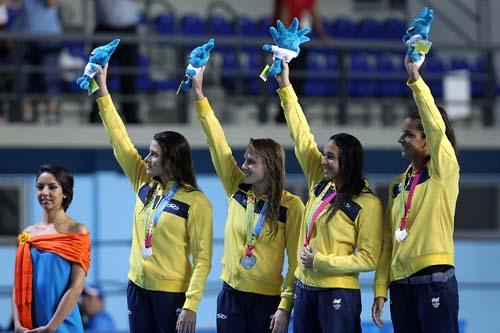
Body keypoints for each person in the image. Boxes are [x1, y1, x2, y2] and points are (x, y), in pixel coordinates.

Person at [93, 64, 213, 333]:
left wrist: (191, 304)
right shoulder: (144, 183)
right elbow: (120, 140)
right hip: (136, 287)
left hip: (171, 295)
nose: (146, 159)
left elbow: (203, 258)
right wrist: (103, 91)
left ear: (171, 161)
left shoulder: (196, 202)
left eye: (154, 155)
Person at [191, 67, 304, 333]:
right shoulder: (237, 188)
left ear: (270, 167)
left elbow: (296, 263)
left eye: (251, 161)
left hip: (267, 301)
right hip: (231, 295)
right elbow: (217, 144)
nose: (243, 165)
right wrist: (199, 95)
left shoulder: (291, 206)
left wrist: (285, 306)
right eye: (244, 159)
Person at [274, 60, 384, 333]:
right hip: (305, 289)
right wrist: (285, 86)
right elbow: (301, 136)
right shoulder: (321, 184)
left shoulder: (367, 203)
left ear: (347, 161)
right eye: (324, 154)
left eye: (331, 157)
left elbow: (369, 258)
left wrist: (321, 262)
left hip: (338, 293)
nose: (323, 160)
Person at [371, 55, 459, 333]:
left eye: (409, 134)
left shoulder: (443, 172)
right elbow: (387, 241)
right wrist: (380, 287)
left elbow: (436, 128)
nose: (401, 139)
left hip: (434, 279)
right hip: (400, 286)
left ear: (427, 141)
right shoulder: (398, 184)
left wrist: (415, 78)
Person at [12, 164, 91, 332]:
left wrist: (50, 327)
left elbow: (76, 286)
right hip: (31, 326)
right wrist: (18, 325)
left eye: (52, 187)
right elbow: (18, 285)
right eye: (40, 187)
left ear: (65, 193)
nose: (44, 192)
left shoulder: (77, 230)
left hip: (64, 326)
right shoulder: (28, 234)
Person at [272, 0, 333, 123]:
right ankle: (283, 112)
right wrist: (285, 41)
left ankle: (294, 109)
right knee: (284, 76)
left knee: (298, 78)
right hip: (287, 43)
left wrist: (323, 36)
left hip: (298, 43)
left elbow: (314, 15)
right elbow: (284, 15)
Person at [89, 0, 140, 124]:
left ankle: (131, 116)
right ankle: (97, 115)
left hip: (128, 30)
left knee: (129, 76)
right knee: (99, 76)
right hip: (104, 29)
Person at [15, 0, 63, 124]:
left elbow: (52, 2)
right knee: (24, 79)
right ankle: (27, 115)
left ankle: (51, 114)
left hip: (49, 38)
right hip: (25, 38)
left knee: (50, 78)